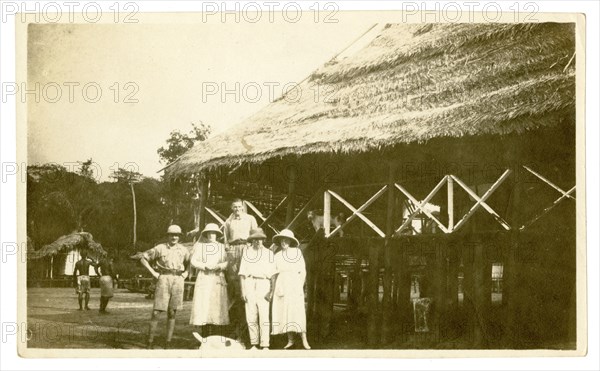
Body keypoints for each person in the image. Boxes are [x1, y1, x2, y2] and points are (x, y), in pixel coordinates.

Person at [139, 225, 190, 349]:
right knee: (156, 312)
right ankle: (150, 341)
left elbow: (190, 263)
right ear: (167, 235)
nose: (174, 237)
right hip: (163, 279)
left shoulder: (184, 250)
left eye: (177, 235)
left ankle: (168, 342)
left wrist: (185, 274)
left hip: (178, 279)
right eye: (171, 234)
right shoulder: (160, 248)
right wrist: (154, 273)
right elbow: (143, 258)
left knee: (172, 312)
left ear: (179, 236)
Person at [268, 229, 310, 350]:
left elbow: (303, 270)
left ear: (290, 241)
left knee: (297, 311)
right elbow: (274, 273)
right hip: (282, 284)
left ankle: (304, 339)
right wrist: (274, 288)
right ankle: (290, 340)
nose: (284, 242)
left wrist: (299, 286)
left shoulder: (296, 252)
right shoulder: (277, 255)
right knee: (284, 312)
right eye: (282, 240)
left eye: (286, 240)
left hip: (294, 284)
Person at [223, 199, 258, 344]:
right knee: (233, 285)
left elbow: (255, 235)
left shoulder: (250, 219)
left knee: (247, 281)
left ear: (243, 208)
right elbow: (225, 239)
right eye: (235, 207)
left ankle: (247, 331)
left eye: (239, 207)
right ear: (232, 208)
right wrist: (228, 249)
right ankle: (232, 328)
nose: (237, 209)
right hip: (233, 250)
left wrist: (251, 249)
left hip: (246, 248)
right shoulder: (228, 221)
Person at [239, 228, 276, 350]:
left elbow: (273, 275)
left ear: (263, 240)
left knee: (264, 316)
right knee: (251, 315)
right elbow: (242, 273)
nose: (258, 242)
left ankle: (265, 344)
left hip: (263, 284)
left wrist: (271, 291)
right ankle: (254, 343)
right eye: (255, 239)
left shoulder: (269, 253)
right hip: (249, 283)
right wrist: (243, 290)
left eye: (260, 239)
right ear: (252, 240)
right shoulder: (247, 253)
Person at [189, 223, 229, 336]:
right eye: (209, 233)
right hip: (204, 277)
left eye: (214, 233)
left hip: (217, 277)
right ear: (206, 234)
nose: (212, 235)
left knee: (216, 305)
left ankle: (216, 336)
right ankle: (205, 335)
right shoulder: (200, 246)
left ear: (217, 234)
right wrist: (203, 266)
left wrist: (220, 266)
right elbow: (193, 261)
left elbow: (227, 261)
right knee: (204, 304)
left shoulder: (221, 247)